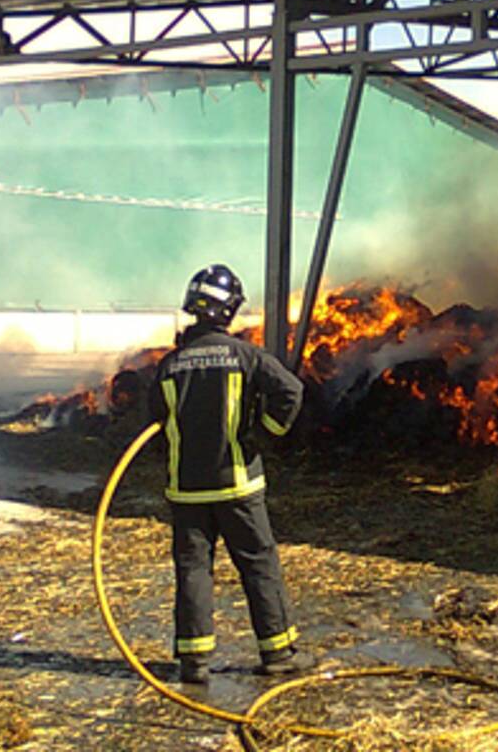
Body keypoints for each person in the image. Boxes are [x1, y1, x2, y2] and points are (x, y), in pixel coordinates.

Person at [148, 263, 314, 684]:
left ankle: (194, 662)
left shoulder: (169, 366)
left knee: (193, 570)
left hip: (187, 490)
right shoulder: (245, 356)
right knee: (258, 563)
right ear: (228, 310)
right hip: (238, 484)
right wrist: (264, 435)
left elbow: (155, 422)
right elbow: (291, 390)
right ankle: (277, 653)